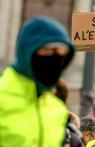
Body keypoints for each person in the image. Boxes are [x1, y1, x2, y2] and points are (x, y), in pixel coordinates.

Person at [0, 16, 75, 147]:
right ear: (27, 52)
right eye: (49, 51)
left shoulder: (57, 108)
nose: (55, 59)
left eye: (61, 53)